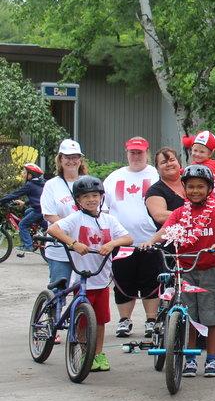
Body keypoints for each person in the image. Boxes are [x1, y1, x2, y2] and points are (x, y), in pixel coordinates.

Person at [140, 165, 215, 378]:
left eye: (200, 186)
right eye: (190, 187)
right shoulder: (180, 213)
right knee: (188, 317)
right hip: (184, 271)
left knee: (212, 317)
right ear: (184, 189)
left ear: (209, 189)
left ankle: (211, 359)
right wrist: (150, 241)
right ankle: (190, 359)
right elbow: (165, 231)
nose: (195, 191)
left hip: (209, 271)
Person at [46, 176, 132, 372]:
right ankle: (85, 353)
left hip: (102, 279)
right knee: (82, 321)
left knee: (100, 321)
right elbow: (53, 229)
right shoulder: (76, 218)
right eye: (85, 196)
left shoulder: (108, 220)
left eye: (95, 195)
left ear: (101, 197)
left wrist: (112, 243)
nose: (91, 199)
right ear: (78, 200)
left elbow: (128, 237)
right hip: (83, 279)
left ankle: (98, 354)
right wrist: (73, 243)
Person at [104, 137, 161, 339]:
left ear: (147, 153)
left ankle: (151, 320)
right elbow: (104, 209)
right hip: (122, 242)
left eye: (140, 152)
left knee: (151, 282)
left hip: (150, 240)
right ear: (126, 153)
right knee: (123, 281)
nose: (136, 156)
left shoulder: (156, 174)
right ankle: (124, 320)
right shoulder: (114, 178)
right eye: (132, 152)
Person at [41, 139, 88, 287]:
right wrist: (70, 231)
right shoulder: (52, 185)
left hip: (85, 247)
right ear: (60, 159)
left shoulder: (89, 182)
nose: (71, 161)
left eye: (75, 157)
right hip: (60, 248)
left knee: (84, 291)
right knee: (59, 289)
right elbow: (49, 215)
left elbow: (101, 211)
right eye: (67, 157)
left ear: (80, 160)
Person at [0, 162, 47, 253]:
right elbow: (38, 197)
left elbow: (15, 194)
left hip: (38, 210)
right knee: (27, 211)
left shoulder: (30, 185)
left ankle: (28, 246)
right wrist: (25, 202)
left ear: (30, 175)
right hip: (42, 209)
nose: (22, 173)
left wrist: (2, 201)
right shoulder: (40, 183)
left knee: (22, 224)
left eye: (24, 172)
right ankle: (42, 228)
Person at [181, 130, 215, 196]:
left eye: (202, 152)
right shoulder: (194, 164)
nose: (197, 154)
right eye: (195, 150)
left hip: (209, 198)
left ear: (210, 154)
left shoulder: (211, 167)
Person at [145, 147, 186, 227]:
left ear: (179, 163)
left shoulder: (191, 182)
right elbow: (160, 216)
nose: (169, 164)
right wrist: (194, 215)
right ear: (157, 169)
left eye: (172, 160)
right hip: (171, 234)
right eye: (163, 162)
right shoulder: (154, 191)